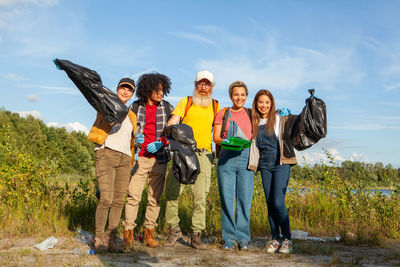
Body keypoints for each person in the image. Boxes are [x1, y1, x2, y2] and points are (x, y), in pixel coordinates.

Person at [163, 70, 220, 249]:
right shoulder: (186, 102)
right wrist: (175, 136)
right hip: (183, 153)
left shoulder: (216, 106)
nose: (203, 87)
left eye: (207, 84)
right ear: (195, 84)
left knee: (200, 197)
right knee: (172, 192)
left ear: (212, 86)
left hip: (204, 154)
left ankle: (196, 235)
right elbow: (171, 124)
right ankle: (174, 229)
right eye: (200, 83)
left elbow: (219, 132)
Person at [122, 73, 174, 249]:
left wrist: (162, 143)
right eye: (157, 90)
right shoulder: (135, 107)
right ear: (147, 89)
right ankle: (128, 234)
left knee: (155, 198)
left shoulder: (167, 108)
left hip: (159, 159)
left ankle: (149, 234)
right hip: (139, 158)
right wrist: (136, 138)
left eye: (162, 90)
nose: (160, 93)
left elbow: (173, 133)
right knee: (133, 197)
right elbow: (127, 130)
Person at [88, 78, 137, 252]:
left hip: (125, 159)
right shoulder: (106, 103)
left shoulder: (132, 115)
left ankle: (112, 239)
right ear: (117, 89)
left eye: (129, 90)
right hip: (106, 152)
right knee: (106, 199)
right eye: (123, 88)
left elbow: (131, 138)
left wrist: (137, 143)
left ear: (132, 94)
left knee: (118, 201)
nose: (125, 92)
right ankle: (99, 237)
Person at [251, 89, 297, 254]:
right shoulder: (254, 122)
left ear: (272, 104)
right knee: (270, 204)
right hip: (264, 165)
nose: (264, 105)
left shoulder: (278, 118)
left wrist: (289, 116)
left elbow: (295, 124)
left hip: (281, 164)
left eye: (267, 102)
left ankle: (287, 238)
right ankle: (275, 238)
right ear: (256, 103)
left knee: (278, 202)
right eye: (260, 102)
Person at [213, 81, 254, 251]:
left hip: (246, 159)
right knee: (227, 200)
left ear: (246, 96)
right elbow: (216, 137)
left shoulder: (252, 114)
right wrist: (226, 141)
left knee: (245, 200)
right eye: (236, 94)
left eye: (242, 94)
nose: (239, 97)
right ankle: (229, 239)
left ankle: (243, 238)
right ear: (231, 96)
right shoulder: (223, 113)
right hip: (226, 160)